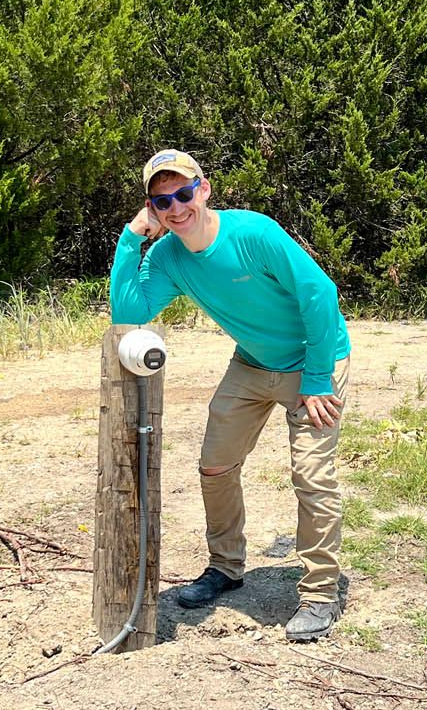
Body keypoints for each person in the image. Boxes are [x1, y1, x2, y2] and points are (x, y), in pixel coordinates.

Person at [109, 146, 351, 643]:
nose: (176, 208)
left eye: (183, 194)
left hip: (316, 360)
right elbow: (128, 311)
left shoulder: (253, 233)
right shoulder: (168, 256)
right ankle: (225, 566)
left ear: (204, 189)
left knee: (311, 476)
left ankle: (320, 594)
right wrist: (131, 238)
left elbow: (320, 293)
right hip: (252, 363)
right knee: (215, 466)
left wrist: (318, 378)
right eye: (161, 202)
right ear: (152, 209)